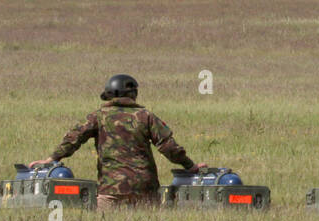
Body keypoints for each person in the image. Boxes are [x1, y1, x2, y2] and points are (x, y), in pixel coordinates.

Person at [28, 74, 203, 209]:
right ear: (133, 94)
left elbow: (73, 138)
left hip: (111, 189)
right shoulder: (146, 116)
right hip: (145, 188)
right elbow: (169, 147)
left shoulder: (98, 117)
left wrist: (52, 159)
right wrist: (190, 166)